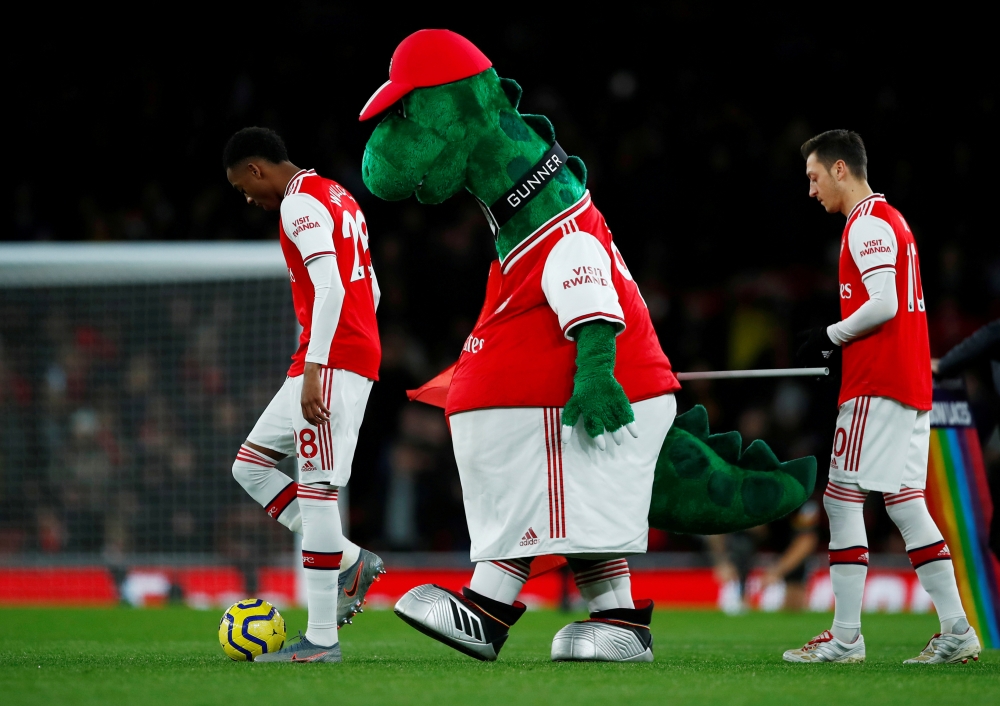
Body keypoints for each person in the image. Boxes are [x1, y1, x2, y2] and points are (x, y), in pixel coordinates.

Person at [787, 130, 980, 665]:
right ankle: (958, 631)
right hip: (908, 384)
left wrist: (832, 336)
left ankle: (846, 638)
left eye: (815, 176)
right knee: (905, 502)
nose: (811, 189)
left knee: (840, 499)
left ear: (841, 169)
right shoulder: (891, 221)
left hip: (880, 386)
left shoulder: (869, 223)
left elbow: (884, 305)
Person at [222, 127, 384, 663]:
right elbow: (372, 288)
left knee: (316, 491)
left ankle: (321, 640)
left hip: (327, 362)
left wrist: (322, 363)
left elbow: (333, 284)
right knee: (251, 465)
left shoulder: (299, 205)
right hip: (330, 357)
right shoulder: (338, 196)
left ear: (256, 169)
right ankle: (351, 560)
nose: (247, 199)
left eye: (243, 188)